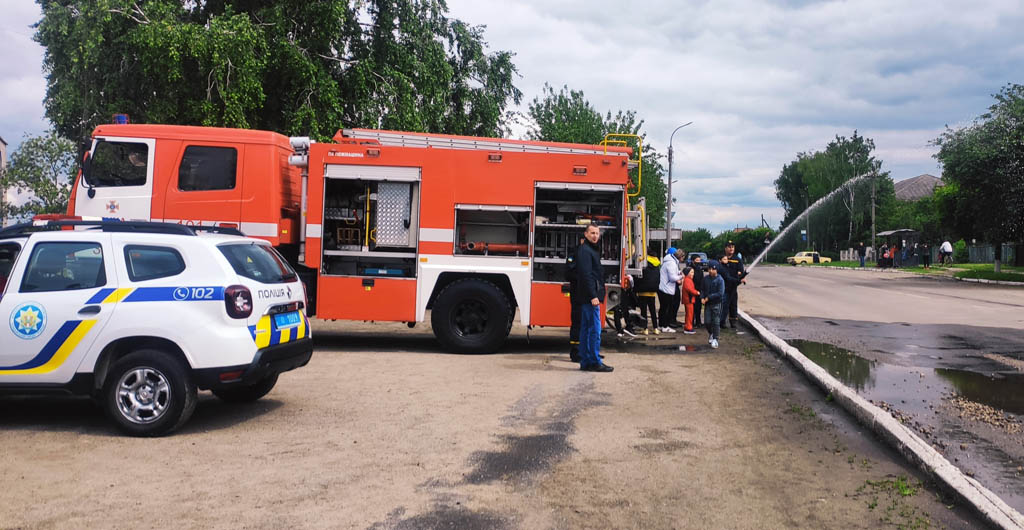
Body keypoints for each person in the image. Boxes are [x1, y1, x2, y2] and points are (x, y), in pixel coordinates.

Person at [575, 224, 613, 372]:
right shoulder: (586, 251)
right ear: (585, 234)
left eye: (597, 233)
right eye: (592, 233)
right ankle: (594, 361)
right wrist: (593, 295)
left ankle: (585, 361)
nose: (595, 236)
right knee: (594, 330)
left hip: (587, 296)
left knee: (586, 329)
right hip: (590, 297)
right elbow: (586, 275)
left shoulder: (588, 249)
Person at [718, 241, 746, 329]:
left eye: (733, 247)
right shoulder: (722, 258)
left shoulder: (737, 259)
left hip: (733, 285)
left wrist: (740, 278)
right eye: (729, 247)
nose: (731, 248)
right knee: (723, 305)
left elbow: (740, 272)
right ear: (725, 248)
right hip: (723, 285)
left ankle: (733, 321)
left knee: (733, 304)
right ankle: (721, 322)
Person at [634, 254, 661, 335]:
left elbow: (638, 276)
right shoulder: (657, 263)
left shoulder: (642, 262)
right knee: (653, 310)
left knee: (644, 311)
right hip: (652, 291)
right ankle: (655, 328)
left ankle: (645, 329)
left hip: (642, 291)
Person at [658, 248, 683, 333]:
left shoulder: (669, 261)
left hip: (663, 287)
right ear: (680, 257)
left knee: (663, 308)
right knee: (666, 308)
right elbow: (672, 278)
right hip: (667, 288)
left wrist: (678, 273)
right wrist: (681, 276)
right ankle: (665, 326)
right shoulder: (671, 263)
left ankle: (661, 325)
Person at [566, 238, 583, 362]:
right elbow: (569, 273)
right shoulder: (575, 253)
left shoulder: (592, 252)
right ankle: (575, 352)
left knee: (586, 323)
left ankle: (587, 351)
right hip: (577, 292)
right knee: (577, 321)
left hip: (587, 294)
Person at [702, 261, 725, 349]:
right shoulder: (705, 279)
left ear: (716, 270)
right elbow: (702, 289)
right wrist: (702, 297)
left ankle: (716, 338)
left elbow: (720, 293)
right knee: (707, 321)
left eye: (713, 269)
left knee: (716, 321)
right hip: (707, 304)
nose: (711, 271)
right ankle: (711, 333)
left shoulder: (720, 280)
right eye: (709, 269)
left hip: (716, 303)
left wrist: (709, 297)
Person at [681, 266, 700, 334]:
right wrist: (697, 292)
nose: (693, 274)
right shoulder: (687, 280)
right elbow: (689, 289)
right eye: (691, 272)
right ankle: (688, 328)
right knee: (689, 314)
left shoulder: (687, 279)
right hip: (689, 300)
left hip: (689, 299)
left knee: (689, 314)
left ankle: (688, 326)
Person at [691, 255, 705, 327]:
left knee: (698, 307)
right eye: (697, 260)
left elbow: (702, 280)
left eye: (699, 260)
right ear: (693, 261)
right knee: (692, 308)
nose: (699, 262)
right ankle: (691, 322)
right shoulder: (690, 269)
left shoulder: (700, 269)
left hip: (699, 290)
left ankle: (698, 322)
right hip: (692, 290)